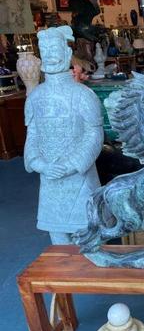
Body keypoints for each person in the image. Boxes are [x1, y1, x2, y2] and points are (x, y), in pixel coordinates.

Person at [24, 26, 103, 244]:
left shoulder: (84, 95)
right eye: (45, 50)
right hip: (49, 177)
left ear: (67, 53)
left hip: (79, 176)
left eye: (54, 48)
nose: (50, 54)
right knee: (58, 240)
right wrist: (39, 164)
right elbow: (33, 135)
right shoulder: (35, 97)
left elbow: (94, 134)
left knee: (88, 235)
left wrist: (71, 165)